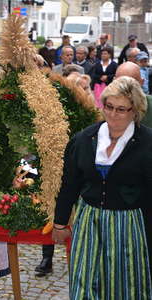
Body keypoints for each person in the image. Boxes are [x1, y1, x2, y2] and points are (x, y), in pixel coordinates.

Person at [53, 76, 152, 299]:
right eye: (109, 107)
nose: (113, 115)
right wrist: (60, 222)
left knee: (125, 286)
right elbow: (70, 183)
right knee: (84, 283)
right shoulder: (84, 139)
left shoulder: (147, 143)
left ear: (135, 111)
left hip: (128, 225)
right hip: (89, 220)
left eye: (121, 109)